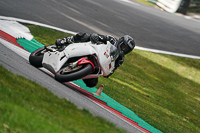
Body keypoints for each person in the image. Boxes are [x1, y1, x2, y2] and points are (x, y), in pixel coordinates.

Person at [55, 32, 135, 87]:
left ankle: (76, 72)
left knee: (92, 83)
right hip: (92, 50)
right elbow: (99, 36)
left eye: (127, 50)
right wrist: (95, 36)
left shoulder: (120, 59)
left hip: (98, 65)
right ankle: (65, 40)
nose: (124, 50)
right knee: (84, 36)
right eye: (124, 47)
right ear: (121, 42)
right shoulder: (112, 39)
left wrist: (108, 72)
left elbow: (111, 71)